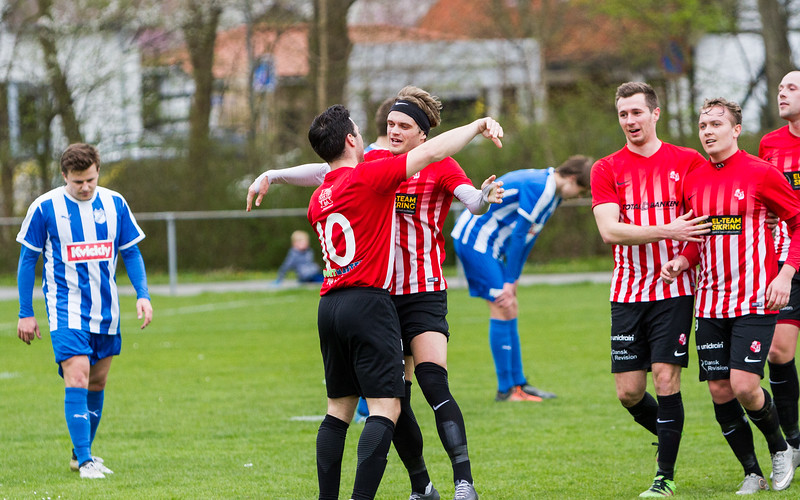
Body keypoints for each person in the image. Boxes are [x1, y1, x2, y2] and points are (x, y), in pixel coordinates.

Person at [247, 87, 502, 500]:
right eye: (389, 124)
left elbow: (329, 173)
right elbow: (328, 168)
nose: (392, 131)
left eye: (404, 125)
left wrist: (482, 199)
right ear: (355, 138)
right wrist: (477, 124)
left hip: (394, 293)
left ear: (422, 132)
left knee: (403, 391)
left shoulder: (327, 196)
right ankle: (419, 485)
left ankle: (463, 483)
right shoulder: (373, 168)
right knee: (390, 404)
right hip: (377, 298)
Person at [661, 97, 800, 494]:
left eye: (716, 124)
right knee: (720, 390)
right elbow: (698, 239)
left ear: (736, 130)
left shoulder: (762, 173)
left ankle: (780, 448)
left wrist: (785, 274)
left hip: (755, 299)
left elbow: (797, 223)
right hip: (709, 304)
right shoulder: (692, 180)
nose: (708, 131)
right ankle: (752, 472)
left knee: (744, 386)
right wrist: (681, 262)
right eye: (703, 125)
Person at [591, 81, 712, 497]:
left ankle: (665, 476)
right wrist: (666, 230)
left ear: (655, 113)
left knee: (665, 378)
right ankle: (669, 433)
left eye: (637, 112)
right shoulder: (606, 168)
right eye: (623, 114)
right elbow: (610, 231)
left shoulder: (689, 161)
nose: (630, 121)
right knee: (629, 393)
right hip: (626, 293)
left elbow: (700, 228)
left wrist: (683, 260)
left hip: (673, 292)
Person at [16, 143, 153, 479]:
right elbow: (27, 260)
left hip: (106, 310)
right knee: (77, 375)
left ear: (98, 171)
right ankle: (87, 460)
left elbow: (131, 252)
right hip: (66, 308)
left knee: (97, 381)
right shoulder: (44, 207)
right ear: (64, 175)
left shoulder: (115, 203)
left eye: (91, 179)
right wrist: (25, 312)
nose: (86, 187)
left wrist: (143, 294)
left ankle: (80, 455)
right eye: (78, 181)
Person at [450, 157, 592, 403]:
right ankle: (506, 390)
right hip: (476, 240)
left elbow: (529, 237)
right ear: (571, 178)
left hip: (491, 245)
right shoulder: (541, 187)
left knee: (511, 306)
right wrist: (509, 280)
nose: (578, 196)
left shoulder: (553, 194)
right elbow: (518, 235)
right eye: (580, 191)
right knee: (502, 305)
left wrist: (513, 278)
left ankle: (519, 384)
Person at [758, 70, 800, 470]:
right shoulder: (769, 144)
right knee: (777, 350)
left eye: (792, 88)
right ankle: (794, 441)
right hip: (788, 262)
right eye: (780, 88)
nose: (782, 93)